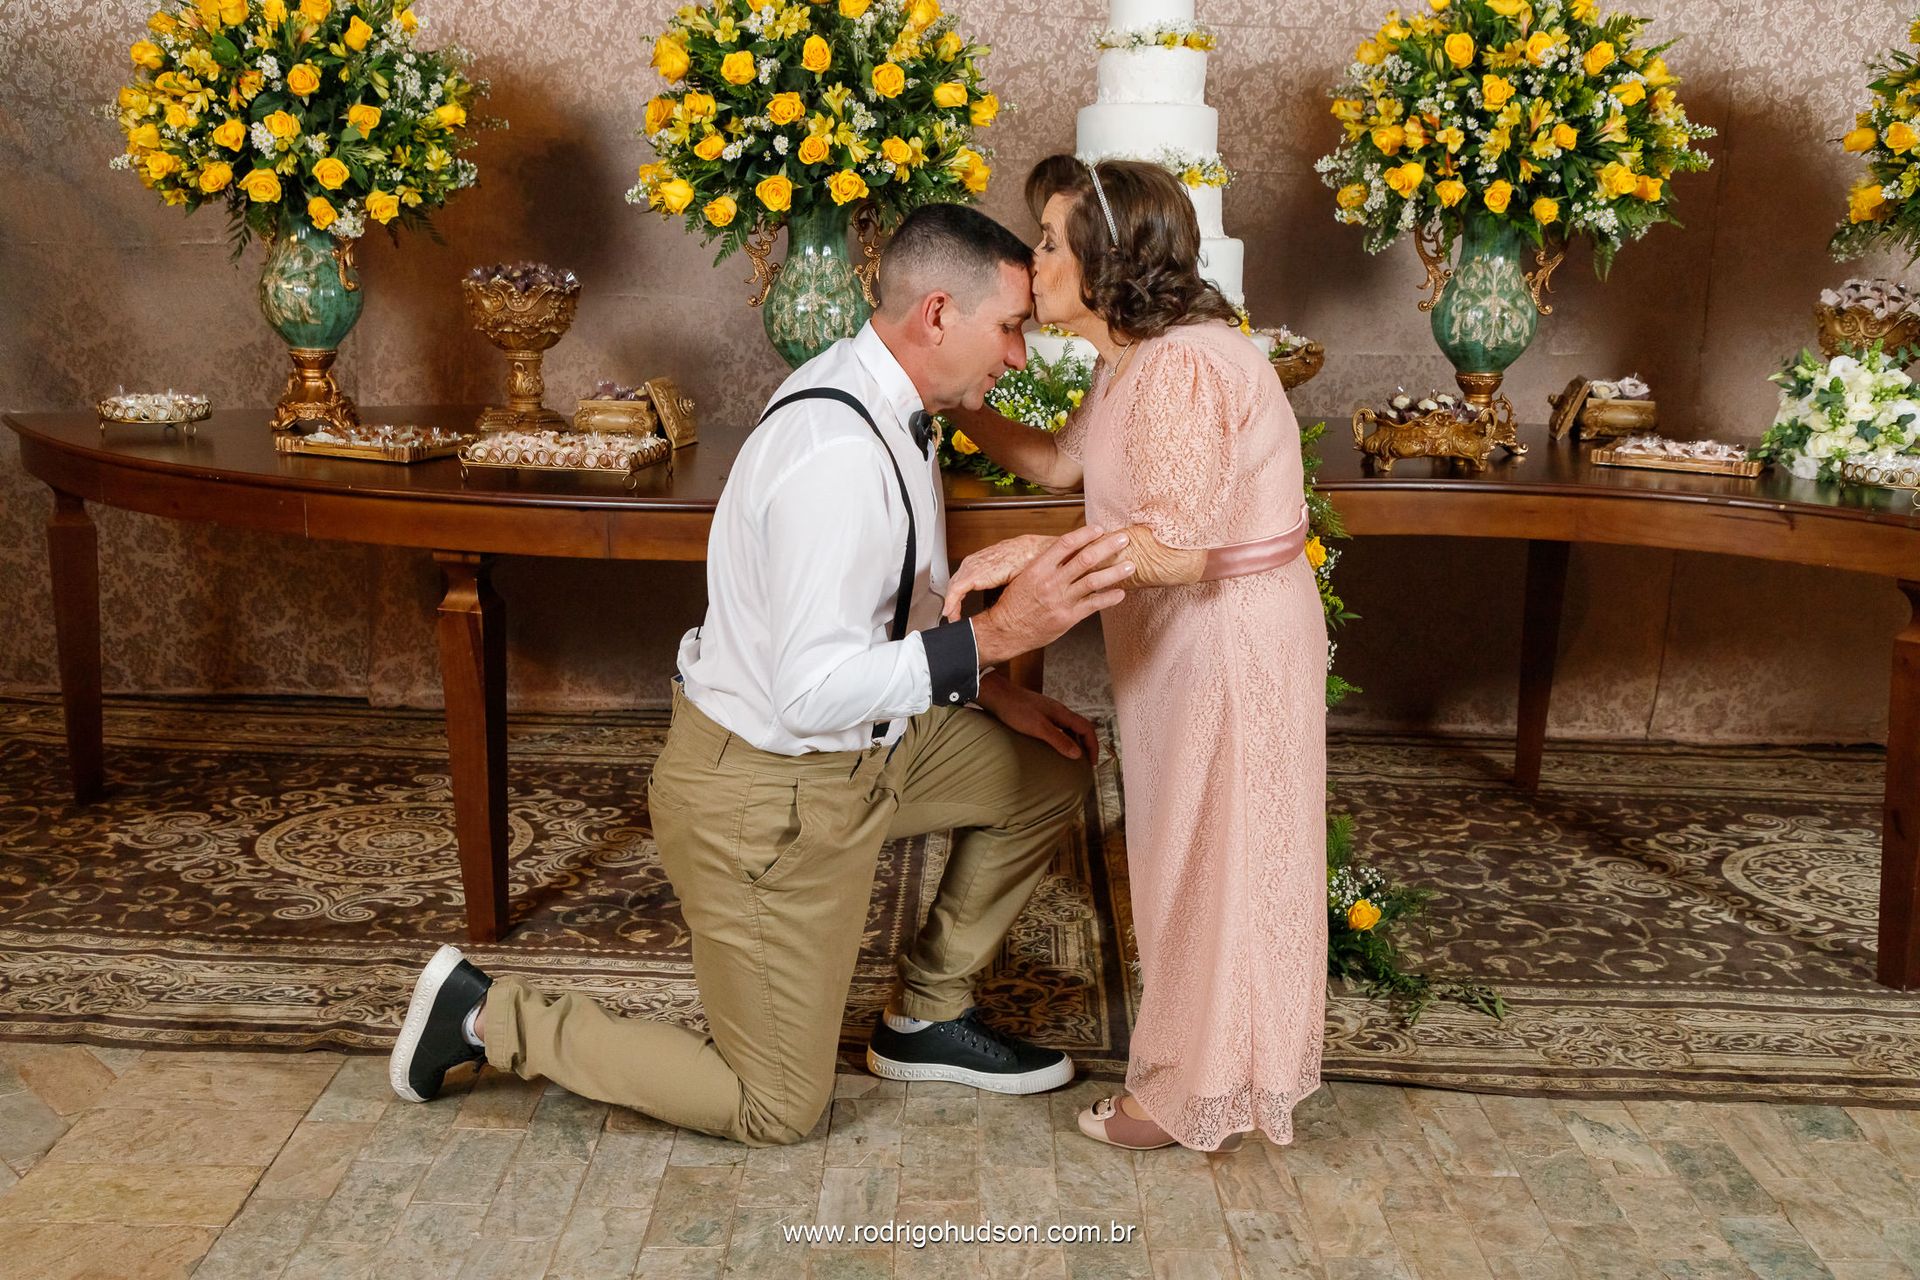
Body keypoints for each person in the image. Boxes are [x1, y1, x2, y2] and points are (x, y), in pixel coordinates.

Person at [387, 203, 1136, 1146]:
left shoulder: (895, 402)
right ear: (937, 314)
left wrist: (993, 690)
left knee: (1050, 769)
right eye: (1011, 329)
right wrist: (990, 643)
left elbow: (887, 616)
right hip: (768, 795)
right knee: (776, 1106)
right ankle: (484, 1015)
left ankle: (928, 1020)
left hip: (872, 752)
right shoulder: (835, 458)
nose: (1019, 357)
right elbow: (810, 694)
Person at [941, 157, 1328, 1151]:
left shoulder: (1187, 366)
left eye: (1049, 243)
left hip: (1228, 635)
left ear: (1105, 262)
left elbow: (1179, 547)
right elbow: (1063, 462)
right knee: (1189, 851)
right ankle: (1207, 1074)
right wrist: (950, 395)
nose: (1032, 262)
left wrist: (1032, 552)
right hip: (1183, 636)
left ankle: (1177, 1096)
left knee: (1212, 857)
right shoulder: (1133, 360)